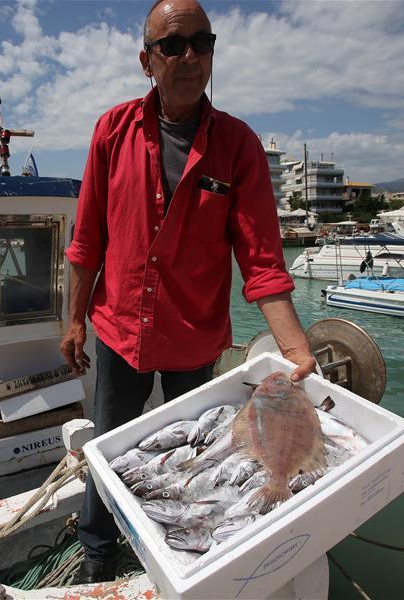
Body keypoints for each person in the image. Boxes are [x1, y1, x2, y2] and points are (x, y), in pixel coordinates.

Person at [60, 0, 316, 584]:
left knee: (197, 456)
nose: (190, 56)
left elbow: (262, 262)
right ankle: (98, 551)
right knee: (108, 448)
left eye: (203, 43)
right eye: (172, 45)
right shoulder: (112, 130)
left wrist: (297, 350)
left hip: (195, 339)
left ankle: (185, 555)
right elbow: (87, 241)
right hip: (121, 331)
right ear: (146, 61)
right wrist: (74, 321)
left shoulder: (238, 145)